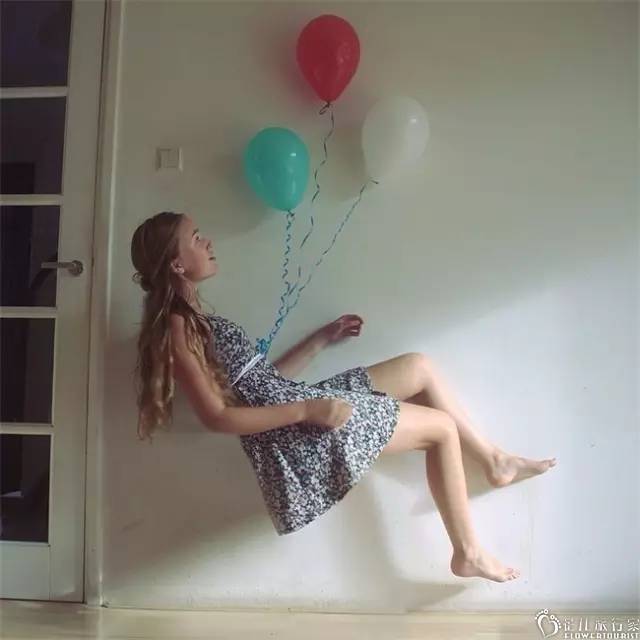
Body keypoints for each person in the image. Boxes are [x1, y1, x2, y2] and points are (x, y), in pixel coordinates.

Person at [130, 210, 556, 583]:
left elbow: (262, 383)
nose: (207, 241)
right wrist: (307, 409)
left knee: (418, 366)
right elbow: (218, 416)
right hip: (295, 433)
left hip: (297, 403)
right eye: (195, 237)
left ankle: (494, 460)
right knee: (442, 429)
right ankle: (468, 553)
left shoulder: (196, 320)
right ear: (177, 263)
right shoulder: (177, 328)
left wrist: (321, 339)